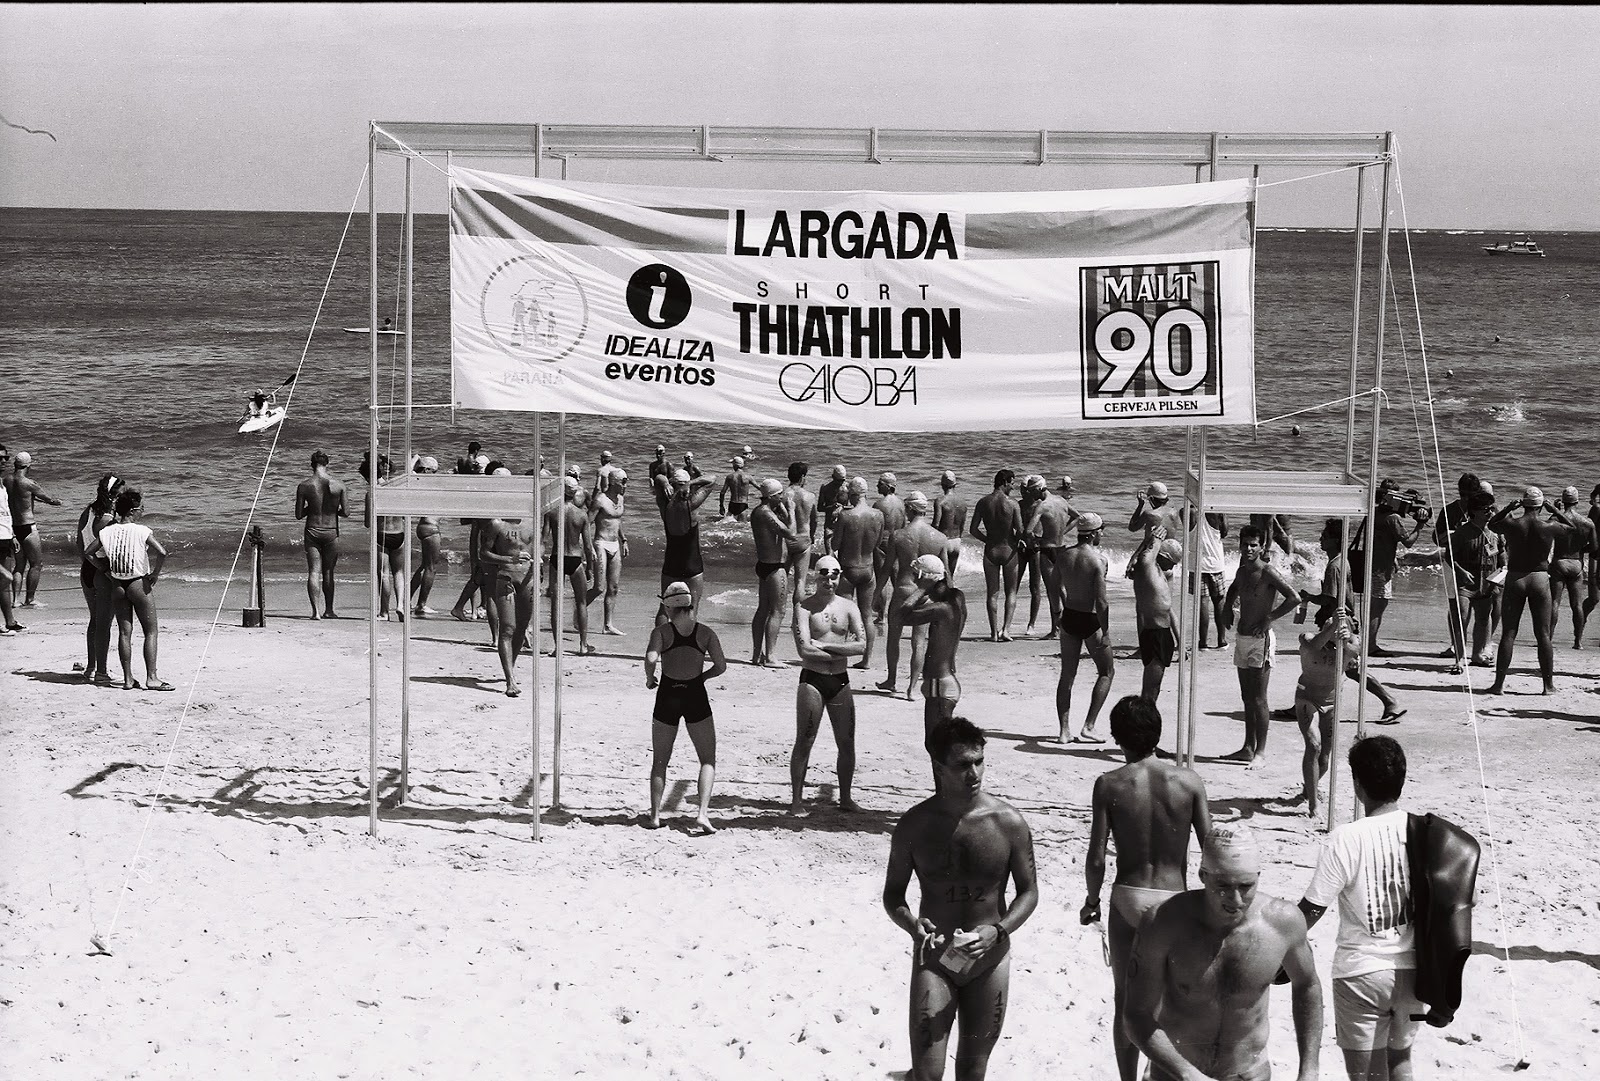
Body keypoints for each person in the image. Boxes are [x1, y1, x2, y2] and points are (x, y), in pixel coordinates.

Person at [882, 717, 1039, 1081]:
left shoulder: (1008, 822)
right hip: (935, 959)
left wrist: (998, 932)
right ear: (939, 767)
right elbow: (893, 894)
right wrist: (911, 924)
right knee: (928, 1074)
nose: (974, 773)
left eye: (979, 761)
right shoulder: (914, 825)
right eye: (962, 764)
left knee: (972, 1070)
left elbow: (1029, 892)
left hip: (990, 960)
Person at [1125, 823, 1322, 1081]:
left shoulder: (1282, 923)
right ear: (1202, 875)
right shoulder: (1163, 923)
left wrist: (1309, 1070)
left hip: (1247, 1075)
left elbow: (1307, 986)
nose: (1236, 899)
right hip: (1174, 1075)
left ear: (1259, 876)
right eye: (1223, 885)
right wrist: (1187, 1074)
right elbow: (1136, 1014)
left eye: (1246, 886)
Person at [1080, 696, 1211, 1081]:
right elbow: (1211, 850)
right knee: (1175, 998)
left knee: (1127, 999)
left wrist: (1092, 901)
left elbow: (1097, 857)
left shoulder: (1109, 784)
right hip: (1175, 901)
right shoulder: (1189, 782)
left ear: (1118, 737)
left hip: (1129, 894)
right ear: (1157, 733)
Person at [1299, 735, 1425, 1081]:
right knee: (1401, 1062)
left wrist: (1283, 945)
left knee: (1366, 1076)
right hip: (1416, 972)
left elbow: (1313, 908)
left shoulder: (1346, 837)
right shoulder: (1422, 831)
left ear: (1357, 783)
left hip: (1361, 973)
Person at [643, 581, 727, 833]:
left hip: (668, 693)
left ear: (669, 605)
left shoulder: (662, 632)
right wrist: (702, 677)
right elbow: (721, 666)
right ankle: (702, 814)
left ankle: (655, 815)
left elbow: (650, 658)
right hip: (695, 694)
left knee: (660, 760)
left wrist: (650, 678)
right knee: (707, 759)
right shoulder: (705, 633)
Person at [790, 554, 867, 815]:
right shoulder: (804, 607)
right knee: (805, 740)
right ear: (815, 575)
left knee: (846, 742)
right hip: (813, 680)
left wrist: (827, 646)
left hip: (840, 682)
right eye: (824, 573)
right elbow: (805, 652)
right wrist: (840, 652)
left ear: (840, 576)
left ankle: (845, 798)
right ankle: (797, 801)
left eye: (834, 574)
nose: (829, 579)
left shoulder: (849, 607)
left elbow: (862, 646)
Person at [1221, 524, 1300, 765]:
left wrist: (1269, 619)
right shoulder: (1242, 571)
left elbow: (1293, 598)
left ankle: (1261, 752)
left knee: (1259, 698)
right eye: (1245, 544)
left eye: (1253, 545)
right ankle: (1247, 746)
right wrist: (1227, 609)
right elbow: (1233, 589)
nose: (1248, 549)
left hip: (1261, 641)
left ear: (1260, 546)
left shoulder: (1268, 572)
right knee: (1247, 697)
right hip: (1242, 637)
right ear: (1240, 545)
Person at [83, 488, 174, 691]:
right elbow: (162, 552)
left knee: (125, 633)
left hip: (117, 584)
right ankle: (152, 677)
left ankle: (127, 679)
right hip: (138, 584)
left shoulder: (107, 531)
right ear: (133, 510)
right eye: (141, 508)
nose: (142, 511)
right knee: (151, 631)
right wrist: (155, 574)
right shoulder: (142, 530)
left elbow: (88, 553)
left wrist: (104, 568)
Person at [1486, 487, 1572, 695]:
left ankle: (1498, 685)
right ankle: (1548, 686)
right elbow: (1570, 528)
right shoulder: (1549, 526)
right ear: (1541, 505)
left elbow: (1492, 524)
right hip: (1539, 578)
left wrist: (1508, 508)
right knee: (1543, 635)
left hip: (1516, 577)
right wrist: (1556, 510)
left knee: (1509, 633)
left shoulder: (1513, 524)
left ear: (1523, 505)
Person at [877, 492, 951, 699]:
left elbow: (886, 568)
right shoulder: (939, 538)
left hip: (903, 590)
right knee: (919, 641)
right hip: (926, 594)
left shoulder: (899, 536)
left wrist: (877, 593)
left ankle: (891, 680)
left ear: (909, 509)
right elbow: (945, 573)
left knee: (894, 636)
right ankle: (911, 688)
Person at [1056, 512, 1114, 743]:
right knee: (1106, 672)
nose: (1102, 535)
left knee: (1067, 675)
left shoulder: (1064, 556)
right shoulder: (1098, 560)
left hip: (1070, 615)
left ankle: (1063, 731)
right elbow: (1101, 602)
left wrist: (1059, 613)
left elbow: (1054, 586)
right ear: (1094, 533)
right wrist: (1106, 632)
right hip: (1090, 620)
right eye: (1101, 531)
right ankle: (1089, 726)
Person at [1294, 607, 1358, 818]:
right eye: (1329, 624)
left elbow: (1353, 651)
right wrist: (1331, 628)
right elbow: (1313, 646)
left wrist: (1345, 639)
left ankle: (1309, 787)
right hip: (1307, 698)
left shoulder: (1351, 644)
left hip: (1331, 702)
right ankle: (1313, 805)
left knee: (1324, 760)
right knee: (1313, 745)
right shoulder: (1308, 638)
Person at [1355, 480, 1430, 657]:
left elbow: (1380, 539)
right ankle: (1370, 645)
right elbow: (1409, 542)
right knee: (1378, 606)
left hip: (1371, 563)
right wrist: (1420, 525)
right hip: (1380, 569)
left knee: (1373, 606)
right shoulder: (1392, 518)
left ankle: (1367, 642)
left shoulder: (1373, 512)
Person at [900, 554, 969, 740]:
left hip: (939, 685)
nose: (914, 581)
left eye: (917, 577)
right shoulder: (957, 598)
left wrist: (921, 590)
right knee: (939, 744)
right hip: (945, 680)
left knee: (936, 745)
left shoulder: (941, 609)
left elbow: (901, 616)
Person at [1441, 493, 1502, 669]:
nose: (1491, 512)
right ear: (1474, 511)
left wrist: (1498, 579)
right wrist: (1460, 571)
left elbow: (1503, 560)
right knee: (1462, 620)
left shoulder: (1495, 533)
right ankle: (1459, 658)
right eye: (1486, 509)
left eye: (1492, 508)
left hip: (1487, 584)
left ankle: (1477, 654)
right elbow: (1449, 556)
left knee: (1483, 620)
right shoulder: (1462, 532)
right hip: (1465, 585)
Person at [478, 511, 536, 696]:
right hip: (506, 576)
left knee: (522, 627)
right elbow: (484, 553)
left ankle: (510, 667)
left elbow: (539, 544)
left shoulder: (531, 520)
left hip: (528, 578)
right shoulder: (497, 523)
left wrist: (539, 560)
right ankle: (510, 681)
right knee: (508, 628)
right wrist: (510, 559)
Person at [73, 473, 124, 682]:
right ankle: (101, 669)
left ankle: (91, 667)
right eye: (120, 494)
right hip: (99, 569)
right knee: (104, 623)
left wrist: (88, 565)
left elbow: (79, 543)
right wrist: (105, 570)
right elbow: (98, 550)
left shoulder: (88, 511)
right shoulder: (107, 519)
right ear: (113, 496)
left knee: (95, 620)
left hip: (86, 570)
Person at [833, 476, 885, 670]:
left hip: (848, 568)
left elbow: (834, 545)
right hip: (868, 570)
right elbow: (878, 543)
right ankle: (866, 660)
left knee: (844, 615)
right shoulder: (878, 515)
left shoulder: (846, 516)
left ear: (853, 495)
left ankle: (841, 657)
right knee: (866, 617)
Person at [543, 476, 599, 655]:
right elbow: (588, 546)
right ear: (575, 492)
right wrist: (590, 567)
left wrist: (538, 562)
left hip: (557, 558)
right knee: (581, 602)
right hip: (575, 558)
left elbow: (543, 538)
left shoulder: (551, 512)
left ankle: (558, 646)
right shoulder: (581, 514)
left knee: (555, 604)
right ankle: (583, 644)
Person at [749, 478, 802, 666]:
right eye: (779, 494)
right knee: (778, 611)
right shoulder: (766, 513)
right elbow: (791, 533)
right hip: (774, 567)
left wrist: (782, 509)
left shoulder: (759, 511)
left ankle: (757, 654)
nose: (782, 497)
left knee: (763, 609)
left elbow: (780, 526)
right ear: (772, 496)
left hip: (764, 564)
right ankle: (770, 656)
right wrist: (793, 510)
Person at [970, 469, 1025, 642]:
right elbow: (1021, 531)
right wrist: (1018, 540)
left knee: (992, 593)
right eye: (1012, 483)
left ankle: (993, 633)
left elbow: (973, 530)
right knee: (1011, 592)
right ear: (1005, 482)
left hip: (991, 550)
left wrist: (987, 539)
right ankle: (1006, 630)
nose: (1013, 487)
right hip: (1009, 550)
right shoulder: (1013, 504)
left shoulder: (983, 502)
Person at [1128, 532, 1184, 703]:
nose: (1172, 568)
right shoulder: (1147, 567)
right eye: (1171, 563)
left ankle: (1146, 715)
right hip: (1155, 635)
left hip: (1159, 632)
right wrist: (1155, 540)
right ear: (1162, 556)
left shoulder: (1158, 572)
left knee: (1154, 688)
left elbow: (1168, 609)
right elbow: (1144, 556)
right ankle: (1144, 721)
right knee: (1151, 689)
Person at [655, 467, 716, 620]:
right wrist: (691, 483)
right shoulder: (692, 504)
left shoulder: (664, 503)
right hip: (691, 563)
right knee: (692, 608)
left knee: (664, 607)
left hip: (671, 563)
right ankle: (686, 642)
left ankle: (661, 642)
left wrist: (665, 483)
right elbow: (712, 479)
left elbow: (658, 478)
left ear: (672, 484)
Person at [5, 450, 62, 609]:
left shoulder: (6, 481)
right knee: (36, 564)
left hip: (14, 528)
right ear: (28, 466)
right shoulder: (30, 483)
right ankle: (30, 598)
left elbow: (19, 497)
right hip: (28, 527)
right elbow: (49, 499)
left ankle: (15, 600)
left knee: (19, 565)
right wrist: (58, 502)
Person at [294, 449, 347, 620]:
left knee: (314, 571)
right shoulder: (339, 485)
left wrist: (313, 507)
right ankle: (329, 610)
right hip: (331, 530)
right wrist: (331, 509)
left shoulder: (304, 485)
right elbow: (346, 512)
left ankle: (315, 612)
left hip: (312, 530)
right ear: (327, 464)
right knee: (329, 572)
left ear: (312, 465)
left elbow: (299, 515)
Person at [1026, 475, 1079, 639]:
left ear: (1038, 489)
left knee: (1052, 591)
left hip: (1048, 550)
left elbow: (1028, 531)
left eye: (1031, 490)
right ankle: (1071, 625)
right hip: (1062, 548)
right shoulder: (1061, 501)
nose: (1030, 494)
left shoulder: (1042, 506)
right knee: (1063, 590)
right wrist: (1063, 531)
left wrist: (1035, 539)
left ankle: (1056, 629)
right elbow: (1077, 517)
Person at [1547, 485, 1595, 649]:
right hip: (1576, 563)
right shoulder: (1587, 522)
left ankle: (1549, 639)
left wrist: (1554, 511)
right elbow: (1594, 547)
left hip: (1560, 561)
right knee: (1577, 605)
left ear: (1563, 500)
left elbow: (1545, 536)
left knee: (1554, 603)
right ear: (1577, 501)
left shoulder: (1556, 519)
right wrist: (1581, 548)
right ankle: (1578, 641)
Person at [361, 453, 407, 622]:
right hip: (399, 534)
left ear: (368, 476)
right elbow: (403, 515)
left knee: (383, 574)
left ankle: (384, 612)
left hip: (382, 535)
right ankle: (401, 605)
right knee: (399, 572)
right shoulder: (395, 488)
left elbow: (368, 523)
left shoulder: (372, 493)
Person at [590, 468, 629, 635]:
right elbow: (587, 523)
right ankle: (579, 610)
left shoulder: (620, 498)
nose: (626, 485)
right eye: (623, 482)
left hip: (615, 544)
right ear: (614, 482)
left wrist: (624, 540)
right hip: (601, 543)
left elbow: (618, 521)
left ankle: (608, 625)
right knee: (599, 587)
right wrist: (587, 547)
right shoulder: (600, 500)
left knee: (613, 588)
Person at [1189, 509, 1229, 649]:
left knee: (1202, 603)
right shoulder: (1217, 512)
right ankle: (1221, 640)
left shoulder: (1187, 512)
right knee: (1219, 601)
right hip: (1216, 562)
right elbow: (1224, 532)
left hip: (1197, 563)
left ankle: (1203, 642)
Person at [872, 472, 908, 626]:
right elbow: (904, 526)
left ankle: (882, 616)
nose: (877, 485)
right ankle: (901, 612)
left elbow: (875, 529)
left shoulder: (879, 504)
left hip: (882, 545)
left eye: (880, 483)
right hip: (897, 543)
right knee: (897, 580)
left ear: (888, 486)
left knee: (882, 580)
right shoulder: (902, 504)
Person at [409, 456, 442, 616]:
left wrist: (415, 459)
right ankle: (421, 604)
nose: (437, 474)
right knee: (431, 568)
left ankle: (405, 599)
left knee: (424, 566)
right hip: (431, 527)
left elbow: (409, 472)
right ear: (428, 470)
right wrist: (416, 458)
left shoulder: (418, 482)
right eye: (435, 471)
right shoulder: (429, 483)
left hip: (423, 525)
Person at [782, 462, 818, 601]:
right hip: (803, 539)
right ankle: (797, 620)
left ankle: (780, 610)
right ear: (802, 477)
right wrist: (812, 536)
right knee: (800, 582)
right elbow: (814, 520)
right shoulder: (810, 496)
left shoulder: (783, 495)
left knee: (782, 579)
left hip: (786, 539)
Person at [932, 469, 969, 579]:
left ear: (942, 485)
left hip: (944, 541)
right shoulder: (963, 502)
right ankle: (951, 594)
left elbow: (936, 524)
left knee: (939, 577)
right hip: (957, 541)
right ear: (955, 484)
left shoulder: (940, 501)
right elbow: (962, 525)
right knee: (950, 577)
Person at [0, 446, 19, 635]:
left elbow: (5, 512)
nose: (5, 461)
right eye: (1, 458)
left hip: (5, 536)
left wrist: (12, 534)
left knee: (4, 582)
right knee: (4, 577)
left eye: (6, 458)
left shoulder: (2, 483)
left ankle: (10, 622)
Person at [818, 464, 849, 553]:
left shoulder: (848, 488)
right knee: (830, 554)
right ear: (832, 477)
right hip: (829, 525)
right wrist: (831, 507)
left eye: (842, 481)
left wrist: (842, 507)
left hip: (843, 525)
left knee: (843, 555)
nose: (840, 483)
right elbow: (819, 508)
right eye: (838, 481)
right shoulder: (826, 488)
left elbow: (854, 507)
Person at [719, 455, 752, 520]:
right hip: (743, 504)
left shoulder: (730, 477)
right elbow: (759, 488)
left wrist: (721, 506)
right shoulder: (748, 477)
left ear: (734, 465)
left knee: (729, 527)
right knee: (742, 527)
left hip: (732, 504)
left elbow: (722, 492)